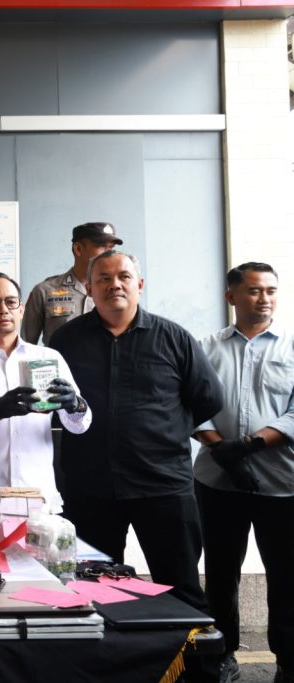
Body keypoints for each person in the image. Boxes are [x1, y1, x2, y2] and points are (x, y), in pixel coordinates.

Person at [48, 249, 224, 611]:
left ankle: (192, 652)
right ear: (89, 288)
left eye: (124, 277)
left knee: (181, 591)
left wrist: (162, 434)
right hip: (89, 487)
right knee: (91, 593)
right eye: (103, 279)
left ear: (139, 284)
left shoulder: (174, 338)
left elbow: (209, 398)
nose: (114, 284)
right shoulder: (66, 340)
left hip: (163, 486)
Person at [192, 262, 294, 683]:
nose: (264, 298)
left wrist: (249, 446)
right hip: (217, 481)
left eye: (270, 290)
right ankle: (223, 655)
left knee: (287, 576)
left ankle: (288, 660)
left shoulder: (291, 347)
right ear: (231, 296)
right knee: (220, 573)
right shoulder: (204, 348)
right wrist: (223, 452)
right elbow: (189, 404)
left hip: (282, 483)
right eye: (254, 290)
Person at [0, 273, 90, 512]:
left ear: (21, 309)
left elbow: (79, 426)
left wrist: (76, 405)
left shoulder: (49, 358)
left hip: (38, 497)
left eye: (10, 302)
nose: (3, 310)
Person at [21, 222, 121, 345]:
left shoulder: (116, 291)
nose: (108, 254)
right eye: (101, 246)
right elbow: (25, 346)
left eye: (111, 248)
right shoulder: (44, 291)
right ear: (78, 249)